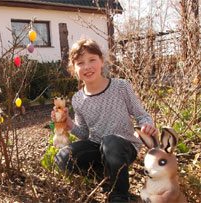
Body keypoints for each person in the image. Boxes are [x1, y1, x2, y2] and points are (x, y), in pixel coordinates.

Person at [51, 39, 158, 202]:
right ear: (74, 69)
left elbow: (141, 115)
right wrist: (68, 123)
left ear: (101, 61)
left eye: (92, 60)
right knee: (63, 158)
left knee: (111, 142)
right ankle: (108, 175)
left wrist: (146, 125)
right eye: (80, 63)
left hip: (123, 146)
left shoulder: (121, 87)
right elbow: (85, 133)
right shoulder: (78, 99)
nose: (87, 66)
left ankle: (119, 196)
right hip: (97, 146)